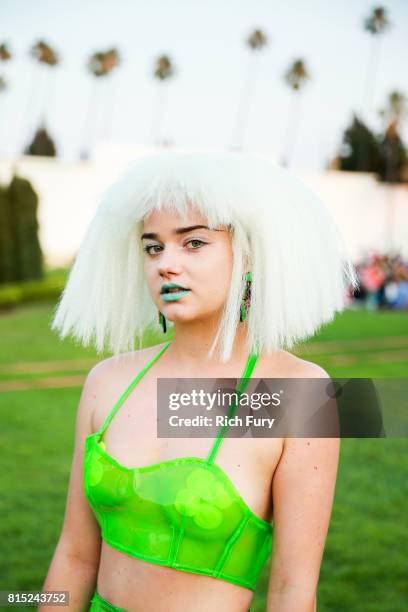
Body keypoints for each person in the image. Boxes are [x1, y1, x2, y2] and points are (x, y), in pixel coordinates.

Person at [41, 150, 357, 612]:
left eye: (193, 243)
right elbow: (73, 556)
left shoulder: (300, 393)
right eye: (154, 246)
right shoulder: (106, 380)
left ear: (249, 256)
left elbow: (292, 592)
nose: (165, 264)